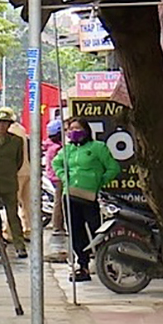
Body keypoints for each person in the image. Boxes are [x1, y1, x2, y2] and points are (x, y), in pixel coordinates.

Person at [53, 118, 120, 282]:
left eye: (77, 128)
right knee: (76, 233)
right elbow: (57, 164)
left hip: (89, 197)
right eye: (70, 129)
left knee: (97, 230)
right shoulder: (67, 150)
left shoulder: (97, 148)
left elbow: (113, 168)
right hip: (71, 195)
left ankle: (105, 264)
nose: (73, 131)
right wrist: (64, 177)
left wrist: (98, 181)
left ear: (86, 130)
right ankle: (82, 265)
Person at [0, 108, 27, 258]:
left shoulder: (16, 141)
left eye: (5, 123)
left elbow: (19, 161)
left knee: (12, 215)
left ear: (9, 125)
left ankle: (19, 245)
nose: (1, 126)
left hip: (9, 182)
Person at [2, 110, 32, 240]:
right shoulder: (22, 129)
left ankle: (8, 233)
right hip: (27, 170)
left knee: (12, 203)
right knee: (28, 203)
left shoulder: (9, 133)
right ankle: (28, 230)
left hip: (16, 172)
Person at [43, 118, 65, 235]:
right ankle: (57, 226)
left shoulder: (52, 145)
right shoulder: (56, 148)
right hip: (58, 177)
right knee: (59, 201)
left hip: (54, 176)